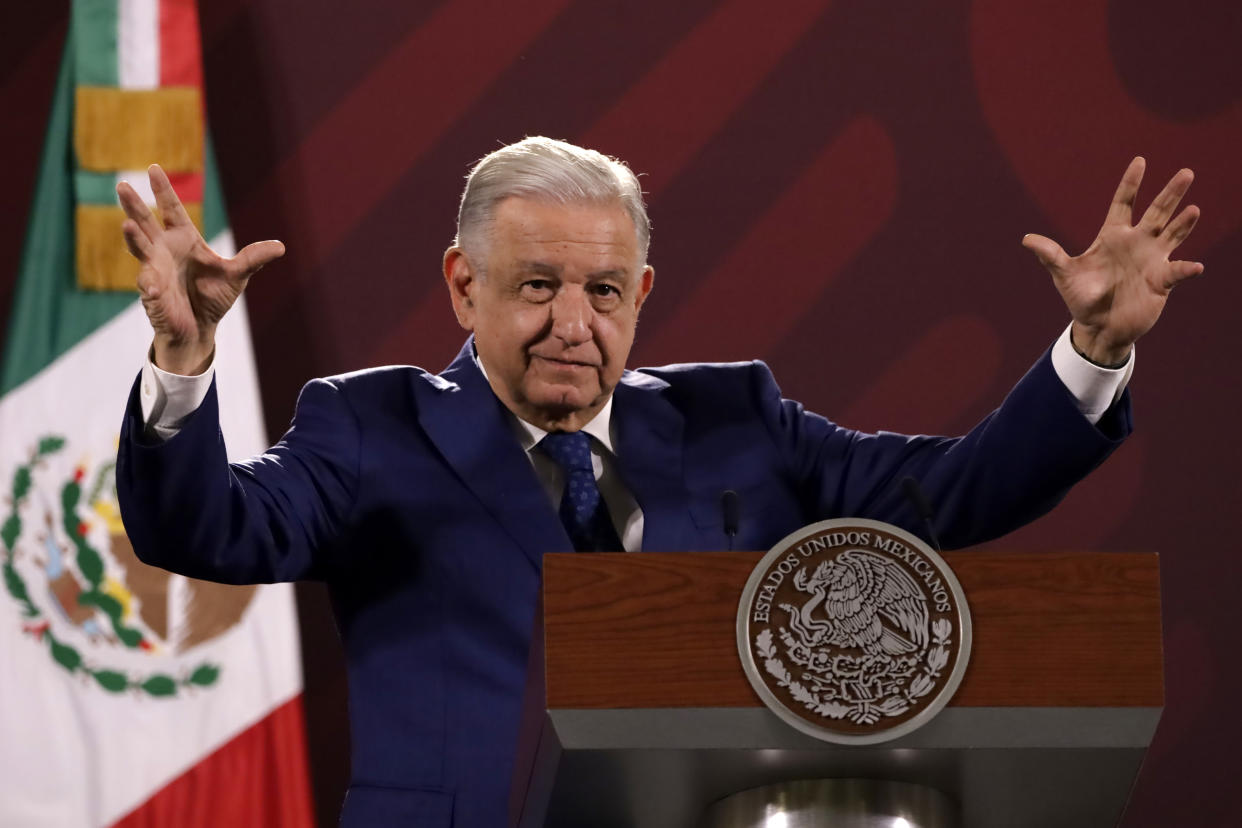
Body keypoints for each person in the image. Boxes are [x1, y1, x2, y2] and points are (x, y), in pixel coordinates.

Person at [114, 137, 1202, 827]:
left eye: (602, 289)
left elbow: (951, 497)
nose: (574, 325)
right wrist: (183, 363)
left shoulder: (739, 418)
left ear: (641, 290)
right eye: (536, 285)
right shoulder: (369, 423)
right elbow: (210, 527)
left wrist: (1091, 351)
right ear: (463, 286)